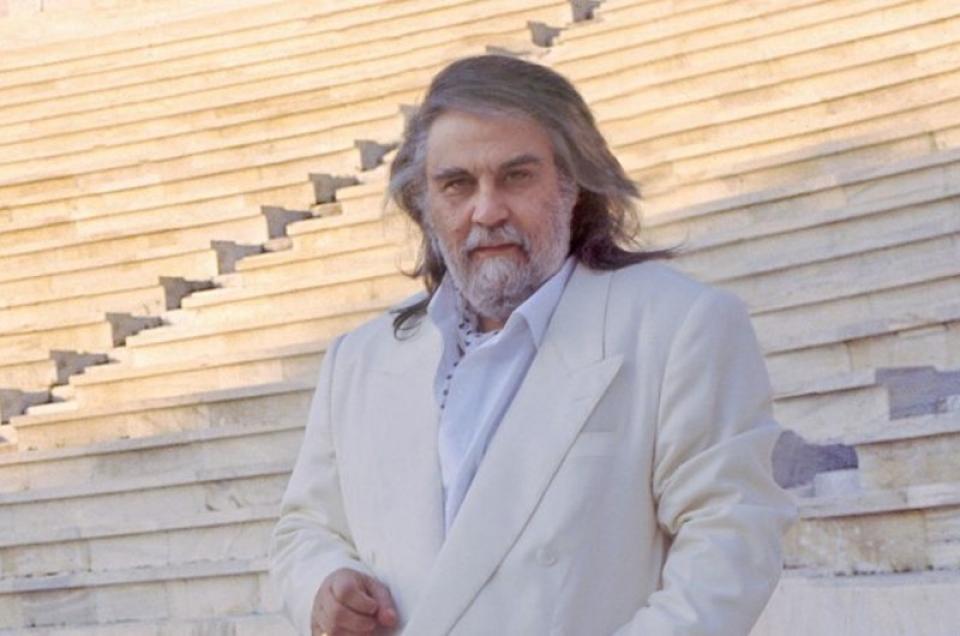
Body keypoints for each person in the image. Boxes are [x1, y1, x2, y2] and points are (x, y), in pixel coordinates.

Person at [269, 54, 798, 636]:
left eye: (516, 177)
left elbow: (729, 544)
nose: (487, 210)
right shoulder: (359, 359)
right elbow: (305, 528)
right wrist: (322, 585)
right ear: (424, 203)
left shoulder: (679, 326)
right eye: (457, 185)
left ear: (573, 187)